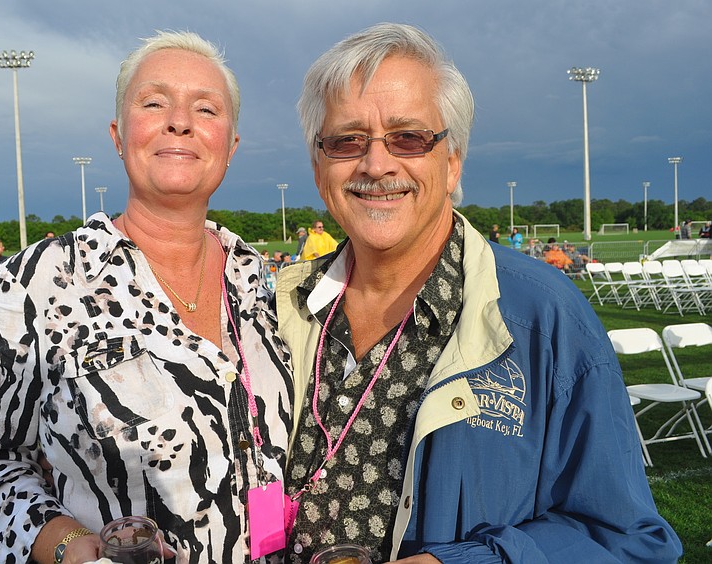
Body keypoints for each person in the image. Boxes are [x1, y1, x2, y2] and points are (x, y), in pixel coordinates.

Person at [275, 23, 681, 563]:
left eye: (408, 137)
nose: (376, 164)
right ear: (318, 163)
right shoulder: (273, 306)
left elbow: (627, 538)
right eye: (348, 140)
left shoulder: (542, 316)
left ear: (453, 161)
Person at [0, 31, 292, 564]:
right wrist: (64, 545)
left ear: (231, 145)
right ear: (117, 134)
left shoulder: (258, 281)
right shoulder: (36, 284)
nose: (180, 121)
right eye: (154, 102)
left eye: (205, 108)